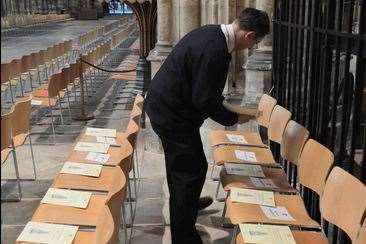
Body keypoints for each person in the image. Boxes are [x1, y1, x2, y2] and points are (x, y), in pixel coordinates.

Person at [145, 8, 270, 244]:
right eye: (256, 42)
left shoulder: (213, 34)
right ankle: (184, 235)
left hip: (168, 107)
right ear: (249, 36)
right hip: (171, 113)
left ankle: (187, 204)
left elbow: (204, 89)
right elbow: (203, 99)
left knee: (184, 167)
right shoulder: (216, 50)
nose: (251, 48)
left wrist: (230, 111)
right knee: (189, 171)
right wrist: (235, 118)